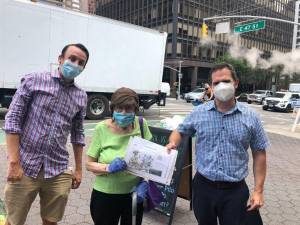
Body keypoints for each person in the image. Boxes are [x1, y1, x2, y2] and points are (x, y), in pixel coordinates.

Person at [166, 63, 269, 225]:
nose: (221, 86)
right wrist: (173, 142)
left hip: (235, 191)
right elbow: (180, 131)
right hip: (203, 188)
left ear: (236, 83)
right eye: (216, 83)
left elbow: (259, 154)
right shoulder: (198, 113)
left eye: (226, 81)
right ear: (211, 87)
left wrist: (258, 191)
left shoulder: (251, 117)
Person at [4, 43, 89, 225]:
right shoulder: (34, 81)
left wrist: (79, 170)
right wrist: (14, 162)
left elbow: (78, 134)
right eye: (72, 59)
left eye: (81, 62)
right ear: (60, 59)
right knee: (13, 220)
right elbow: (13, 120)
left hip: (58, 169)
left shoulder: (81, 96)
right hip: (25, 165)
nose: (75, 64)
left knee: (51, 220)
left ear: (83, 68)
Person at [86, 87, 152, 225]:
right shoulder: (101, 128)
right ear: (112, 109)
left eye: (128, 109)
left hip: (134, 195)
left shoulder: (141, 124)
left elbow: (149, 159)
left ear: (135, 110)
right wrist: (108, 167)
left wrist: (145, 181)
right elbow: (89, 164)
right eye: (119, 109)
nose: (123, 113)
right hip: (105, 195)